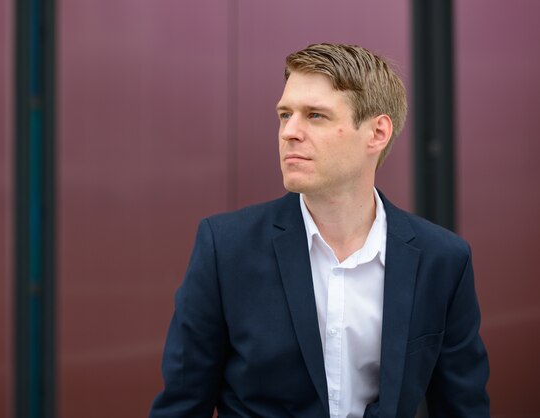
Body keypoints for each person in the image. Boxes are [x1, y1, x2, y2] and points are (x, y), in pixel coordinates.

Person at [149, 43, 489, 418]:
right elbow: (181, 407)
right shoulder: (225, 249)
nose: (289, 132)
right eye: (284, 114)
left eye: (315, 116)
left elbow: (464, 408)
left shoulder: (443, 260)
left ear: (377, 132)